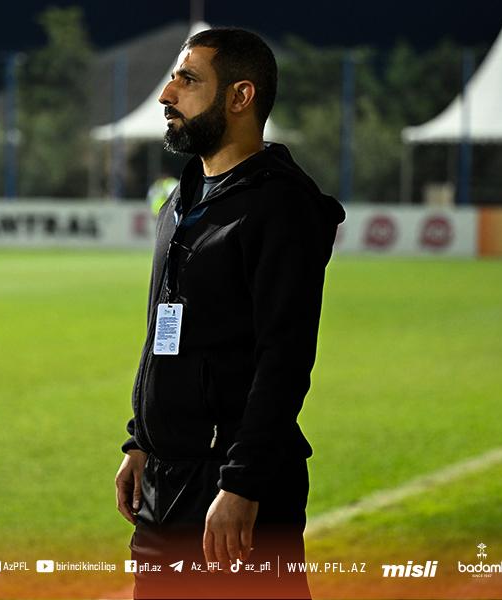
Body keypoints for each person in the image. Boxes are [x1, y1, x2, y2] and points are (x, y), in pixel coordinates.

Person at [114, 27, 345, 599]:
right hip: (164, 481)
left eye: (188, 80)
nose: (166, 95)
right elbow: (168, 331)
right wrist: (141, 440)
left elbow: (284, 357)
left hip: (234, 485)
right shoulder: (183, 197)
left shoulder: (281, 206)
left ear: (241, 97)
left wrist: (242, 483)